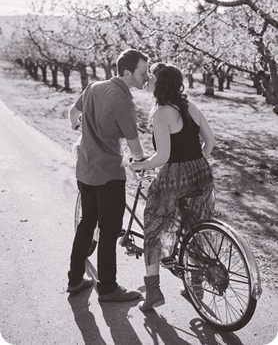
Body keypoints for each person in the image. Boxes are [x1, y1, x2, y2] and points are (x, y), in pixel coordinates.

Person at [130, 62, 215, 311]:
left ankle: (153, 291)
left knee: (153, 227)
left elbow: (163, 157)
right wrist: (196, 160)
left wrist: (138, 166)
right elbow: (210, 141)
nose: (147, 80)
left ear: (160, 83)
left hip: (174, 176)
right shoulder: (190, 106)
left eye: (151, 77)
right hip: (201, 171)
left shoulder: (160, 113)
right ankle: (196, 288)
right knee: (196, 226)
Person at [67, 48, 149, 301]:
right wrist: (143, 165)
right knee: (110, 230)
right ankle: (108, 288)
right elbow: (135, 147)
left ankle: (74, 280)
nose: (146, 78)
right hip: (109, 175)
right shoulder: (122, 101)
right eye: (143, 73)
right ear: (127, 73)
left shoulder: (93, 87)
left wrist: (81, 130)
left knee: (87, 223)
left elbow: (72, 113)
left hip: (85, 170)